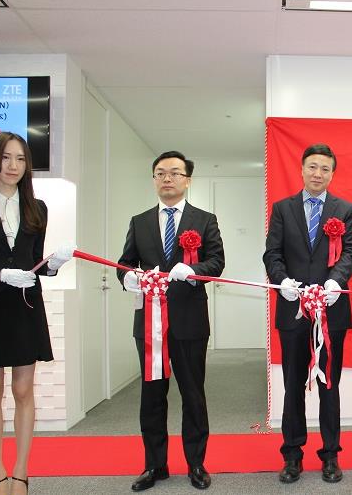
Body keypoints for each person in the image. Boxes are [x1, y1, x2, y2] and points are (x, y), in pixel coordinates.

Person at [0, 132, 73, 495]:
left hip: (25, 306)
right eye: (6, 157)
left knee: (23, 390)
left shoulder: (38, 208)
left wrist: (53, 265)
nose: (13, 166)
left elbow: (33, 263)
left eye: (20, 159)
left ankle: (20, 473)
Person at [117, 150, 225, 491]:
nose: (167, 178)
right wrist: (127, 277)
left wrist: (193, 270)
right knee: (152, 396)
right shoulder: (139, 221)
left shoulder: (204, 219)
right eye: (161, 172)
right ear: (154, 179)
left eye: (175, 173)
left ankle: (196, 464)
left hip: (190, 322)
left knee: (193, 395)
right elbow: (125, 263)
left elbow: (217, 262)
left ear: (187, 180)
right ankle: (154, 465)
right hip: (149, 324)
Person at [263, 143, 352, 484]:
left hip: (331, 309)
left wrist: (336, 282)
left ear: (332, 174)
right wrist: (282, 281)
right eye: (313, 167)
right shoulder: (282, 209)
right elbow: (272, 253)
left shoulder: (345, 209)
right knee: (293, 384)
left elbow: (351, 252)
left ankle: (331, 455)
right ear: (302, 169)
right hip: (293, 308)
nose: (318, 173)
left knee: (329, 384)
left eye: (325, 169)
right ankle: (292, 455)